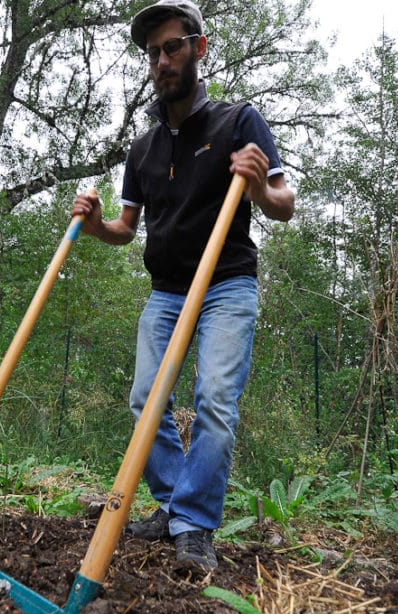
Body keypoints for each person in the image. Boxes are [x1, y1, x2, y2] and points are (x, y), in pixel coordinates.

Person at [71, 0, 295, 571]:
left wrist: (256, 188)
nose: (162, 60)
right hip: (168, 291)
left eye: (173, 47)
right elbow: (126, 228)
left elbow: (284, 204)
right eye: (153, 53)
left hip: (226, 285)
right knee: (146, 399)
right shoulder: (142, 148)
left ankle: (195, 525)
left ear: (197, 47)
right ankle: (174, 506)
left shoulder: (237, 122)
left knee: (214, 403)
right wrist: (96, 227)